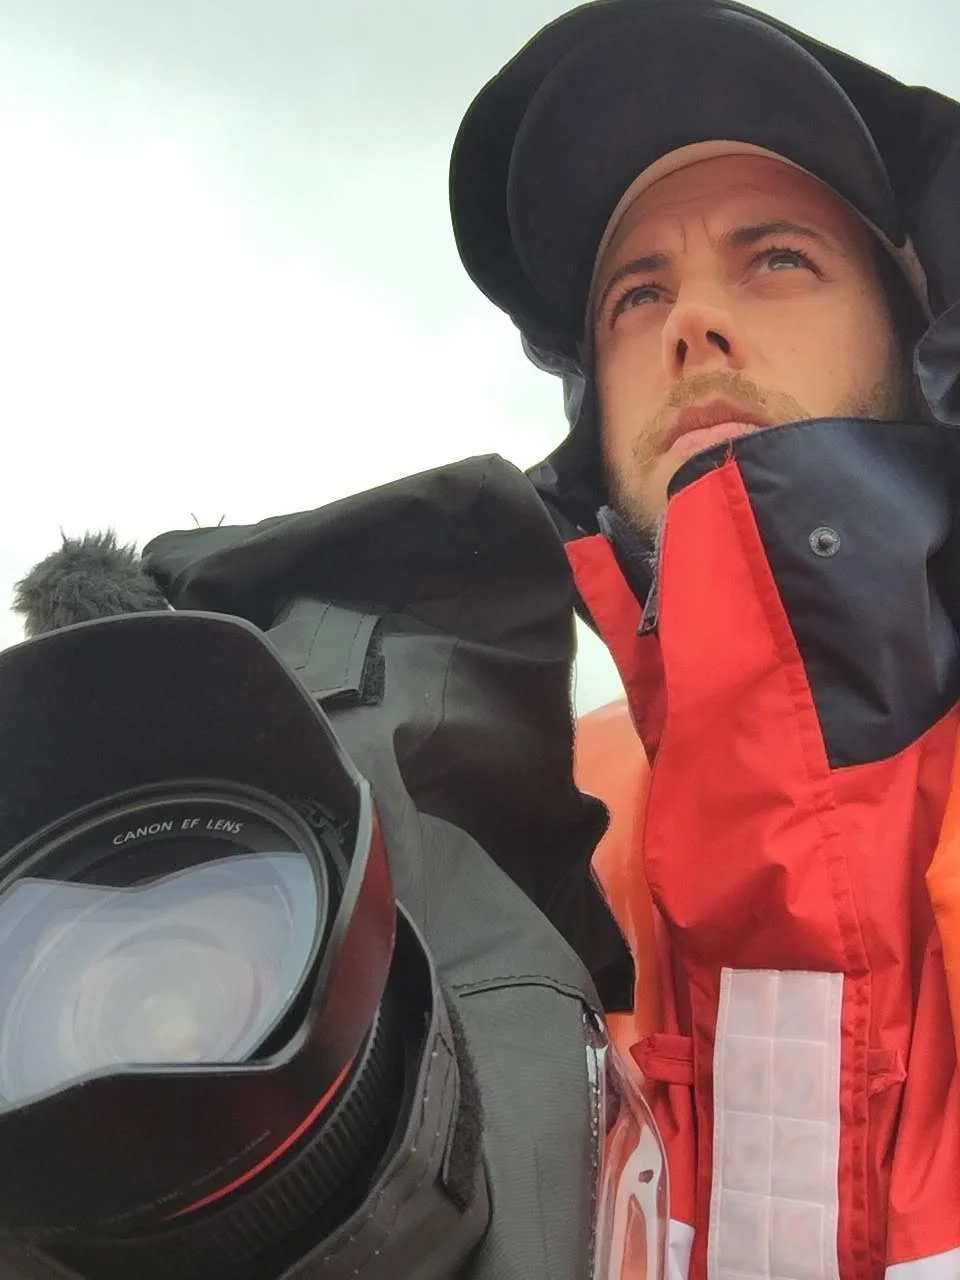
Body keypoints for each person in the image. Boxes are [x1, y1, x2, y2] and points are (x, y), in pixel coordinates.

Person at [447, 1, 960, 1276]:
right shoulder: (517, 841)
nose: (692, 324)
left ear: (921, 341)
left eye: (776, 257)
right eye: (639, 294)